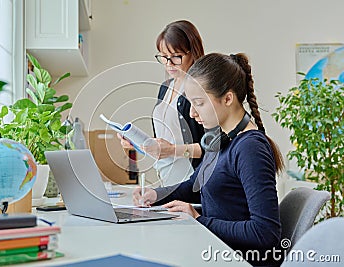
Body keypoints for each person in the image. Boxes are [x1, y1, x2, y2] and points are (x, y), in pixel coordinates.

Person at [133, 53, 285, 266]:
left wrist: (199, 219)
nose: (193, 113)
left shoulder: (250, 148)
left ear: (228, 99)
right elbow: (193, 186)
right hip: (216, 251)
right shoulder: (221, 140)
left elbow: (265, 233)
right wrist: (155, 194)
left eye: (199, 103)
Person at [119, 20, 205, 187]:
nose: (169, 64)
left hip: (193, 185)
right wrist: (138, 144)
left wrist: (173, 150)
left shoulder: (200, 90)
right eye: (164, 57)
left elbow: (213, 147)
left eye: (176, 57)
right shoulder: (166, 88)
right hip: (168, 182)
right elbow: (163, 143)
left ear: (193, 53)